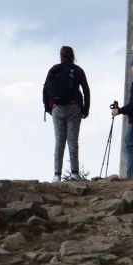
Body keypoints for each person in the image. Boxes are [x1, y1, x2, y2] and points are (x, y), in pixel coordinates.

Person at [43, 46, 91, 181]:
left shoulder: (54, 70)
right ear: (73, 56)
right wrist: (86, 109)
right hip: (74, 108)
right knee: (72, 140)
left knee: (59, 141)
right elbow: (86, 90)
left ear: (61, 56)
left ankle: (57, 175)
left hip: (57, 109)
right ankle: (75, 173)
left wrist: (48, 108)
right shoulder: (78, 70)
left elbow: (45, 90)